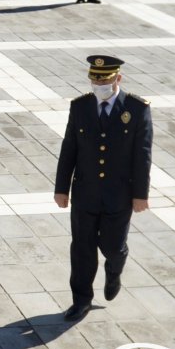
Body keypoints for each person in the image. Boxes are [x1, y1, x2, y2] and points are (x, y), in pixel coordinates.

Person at [54, 55, 152, 323]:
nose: (99, 84)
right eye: (95, 79)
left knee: (112, 246)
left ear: (118, 78)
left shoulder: (137, 109)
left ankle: (115, 268)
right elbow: (69, 149)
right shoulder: (81, 107)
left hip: (119, 195)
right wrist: (61, 188)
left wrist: (140, 194)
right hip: (85, 193)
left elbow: (142, 155)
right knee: (82, 250)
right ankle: (81, 301)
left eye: (105, 79)